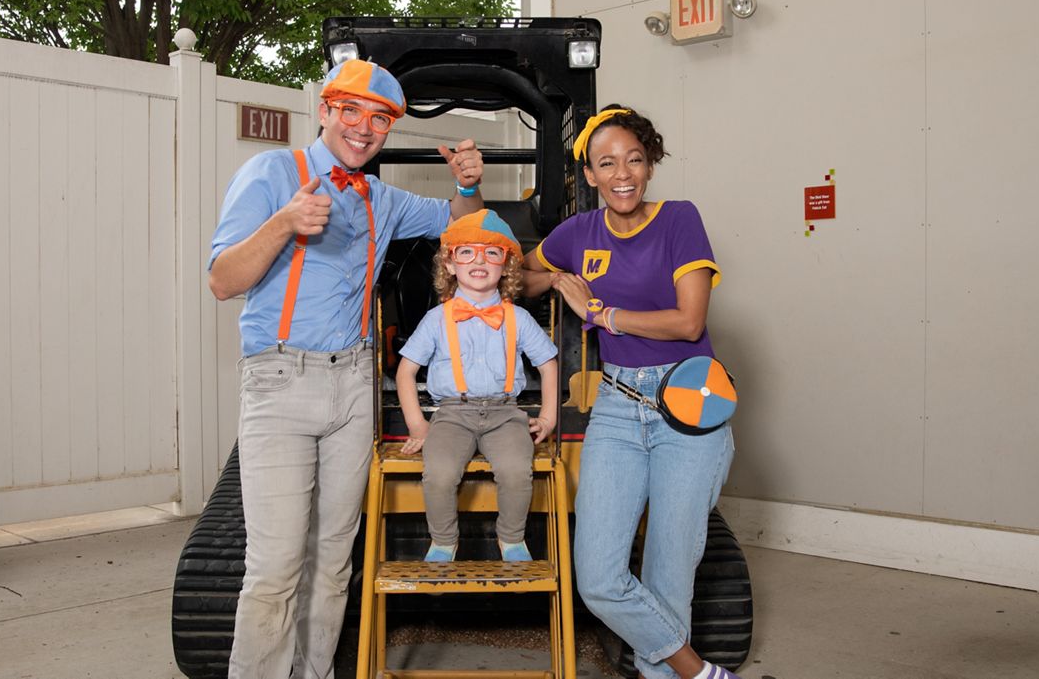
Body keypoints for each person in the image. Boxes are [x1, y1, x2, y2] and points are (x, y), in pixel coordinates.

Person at [208, 58, 486, 679]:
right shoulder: (273, 172)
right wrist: (284, 223)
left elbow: (464, 227)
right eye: (352, 111)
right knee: (276, 567)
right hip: (280, 381)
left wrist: (466, 183)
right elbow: (222, 280)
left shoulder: (379, 197)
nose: (364, 128)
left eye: (380, 119)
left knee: (333, 561)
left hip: (354, 386)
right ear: (325, 111)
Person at [524, 105, 742, 679]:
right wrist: (557, 280)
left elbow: (688, 322)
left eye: (635, 160)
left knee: (669, 580)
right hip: (618, 407)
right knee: (596, 577)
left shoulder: (678, 220)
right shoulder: (578, 233)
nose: (623, 173)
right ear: (590, 175)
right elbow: (517, 274)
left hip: (687, 405)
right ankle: (702, 674)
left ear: (649, 166)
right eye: (607, 163)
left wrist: (605, 315)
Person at [394, 209, 559, 562]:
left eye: (492, 253)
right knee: (439, 473)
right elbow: (405, 371)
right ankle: (443, 542)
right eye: (466, 252)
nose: (479, 261)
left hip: (505, 414)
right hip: (453, 414)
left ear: (507, 266)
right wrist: (418, 426)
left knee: (517, 470)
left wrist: (548, 418)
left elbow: (548, 364)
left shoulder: (518, 317)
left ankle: (512, 539)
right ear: (450, 265)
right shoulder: (436, 318)